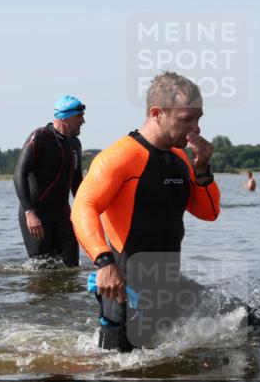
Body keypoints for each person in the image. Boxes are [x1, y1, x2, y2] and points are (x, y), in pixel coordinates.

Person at [71, 72, 221, 351]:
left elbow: (208, 212)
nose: (196, 129)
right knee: (122, 376)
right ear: (157, 113)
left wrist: (202, 170)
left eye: (199, 118)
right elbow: (83, 207)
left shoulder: (180, 160)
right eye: (187, 119)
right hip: (122, 287)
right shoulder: (120, 157)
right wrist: (104, 264)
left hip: (167, 284)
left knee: (247, 324)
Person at [12, 95, 85, 266]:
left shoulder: (75, 144)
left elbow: (77, 182)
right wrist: (30, 213)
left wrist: (84, 210)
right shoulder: (40, 137)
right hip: (37, 214)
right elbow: (18, 175)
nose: (83, 121)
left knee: (72, 268)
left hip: (63, 215)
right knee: (42, 271)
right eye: (79, 117)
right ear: (65, 117)